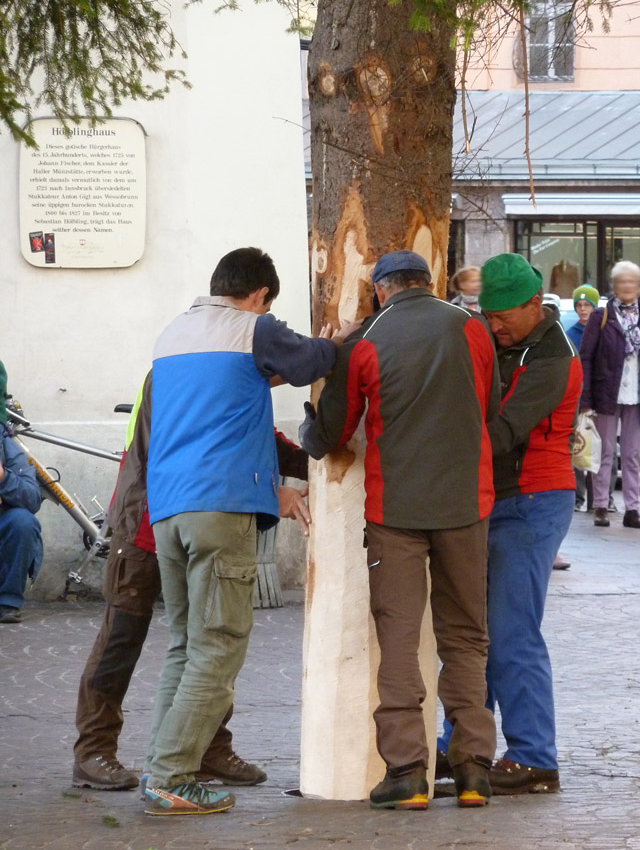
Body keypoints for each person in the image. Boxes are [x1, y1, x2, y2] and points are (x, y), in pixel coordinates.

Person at [142, 246, 353, 817]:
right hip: (219, 509)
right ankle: (170, 776)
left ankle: (161, 767)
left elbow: (223, 417)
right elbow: (313, 360)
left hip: (168, 508)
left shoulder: (174, 334)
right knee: (218, 647)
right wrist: (349, 337)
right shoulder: (251, 329)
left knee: (185, 647)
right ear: (259, 295)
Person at [300, 250, 500, 811]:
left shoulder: (367, 339)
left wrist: (308, 429)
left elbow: (336, 432)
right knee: (466, 636)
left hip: (397, 512)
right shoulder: (472, 326)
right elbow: (488, 406)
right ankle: (473, 770)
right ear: (430, 283)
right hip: (467, 504)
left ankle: (408, 771)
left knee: (399, 638)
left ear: (380, 290)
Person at [72, 372, 311, 791]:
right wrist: (272, 492)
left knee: (209, 639)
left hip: (182, 522)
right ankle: (94, 749)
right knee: (122, 640)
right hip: (145, 522)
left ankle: (207, 748)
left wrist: (329, 457)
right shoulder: (185, 377)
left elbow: (265, 443)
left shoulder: (232, 383)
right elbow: (199, 453)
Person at [438, 254, 582, 795]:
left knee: (512, 632)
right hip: (492, 499)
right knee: (476, 633)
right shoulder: (501, 341)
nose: (493, 326)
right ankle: (464, 746)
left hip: (534, 500)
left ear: (533, 303)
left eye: (503, 317)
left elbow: (504, 431)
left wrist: (431, 450)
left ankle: (534, 756)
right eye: (486, 315)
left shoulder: (554, 358)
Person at [579, 260, 640, 529]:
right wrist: (585, 399)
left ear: (639, 287)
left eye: (632, 282)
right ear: (615, 287)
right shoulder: (601, 316)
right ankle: (601, 506)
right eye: (622, 282)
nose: (627, 286)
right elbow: (586, 358)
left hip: (638, 394)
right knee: (605, 453)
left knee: (630, 454)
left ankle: (632, 509)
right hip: (607, 392)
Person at [0, 362, 43, 623]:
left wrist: (4, 478)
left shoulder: (7, 446)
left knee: (23, 522)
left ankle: (7, 602)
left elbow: (32, 497)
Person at [567, 285, 599, 513]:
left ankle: (601, 498)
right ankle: (578, 498)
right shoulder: (570, 334)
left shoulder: (605, 331)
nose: (583, 309)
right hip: (578, 399)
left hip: (600, 398)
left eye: (588, 304)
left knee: (603, 449)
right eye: (579, 304)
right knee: (579, 448)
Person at [566, 284, 599, 351]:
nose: (582, 308)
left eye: (587, 305)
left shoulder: (603, 331)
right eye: (579, 305)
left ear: (594, 307)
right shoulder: (569, 335)